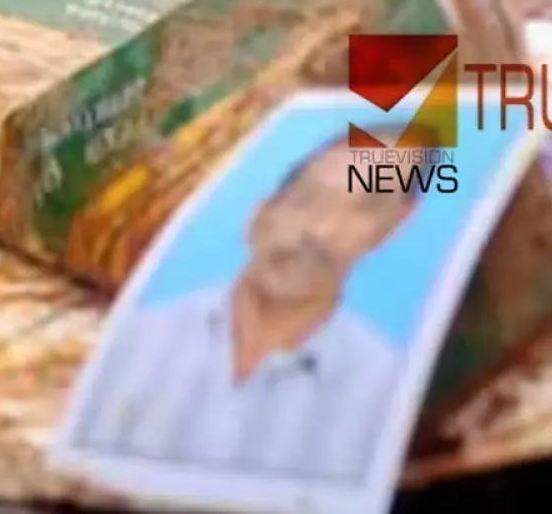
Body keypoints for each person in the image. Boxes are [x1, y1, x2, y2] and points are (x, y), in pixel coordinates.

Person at [71, 124, 420, 481]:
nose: (319, 232)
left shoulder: (386, 393)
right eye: (308, 200)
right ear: (260, 215)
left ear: (387, 232)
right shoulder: (135, 339)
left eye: (361, 211)